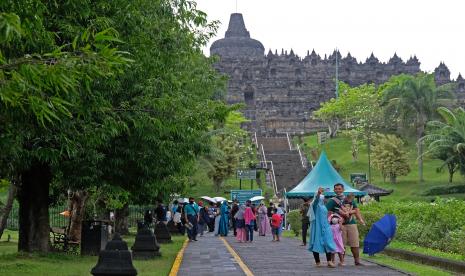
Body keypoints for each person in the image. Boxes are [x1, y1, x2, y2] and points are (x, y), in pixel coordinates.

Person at [326, 183, 365, 266]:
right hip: (339, 225)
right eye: (336, 189)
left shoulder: (349, 199)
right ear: (334, 190)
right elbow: (327, 212)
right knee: (341, 243)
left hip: (351, 223)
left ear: (343, 189)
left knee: (355, 243)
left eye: (339, 189)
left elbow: (356, 210)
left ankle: (357, 261)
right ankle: (341, 261)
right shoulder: (332, 200)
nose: (338, 190)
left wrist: (360, 219)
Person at [308, 187, 336, 268]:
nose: (323, 199)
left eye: (323, 198)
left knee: (328, 242)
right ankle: (317, 262)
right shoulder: (314, 206)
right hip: (317, 227)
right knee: (316, 242)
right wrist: (318, 193)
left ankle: (329, 261)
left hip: (326, 226)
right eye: (321, 198)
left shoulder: (324, 207)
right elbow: (316, 200)